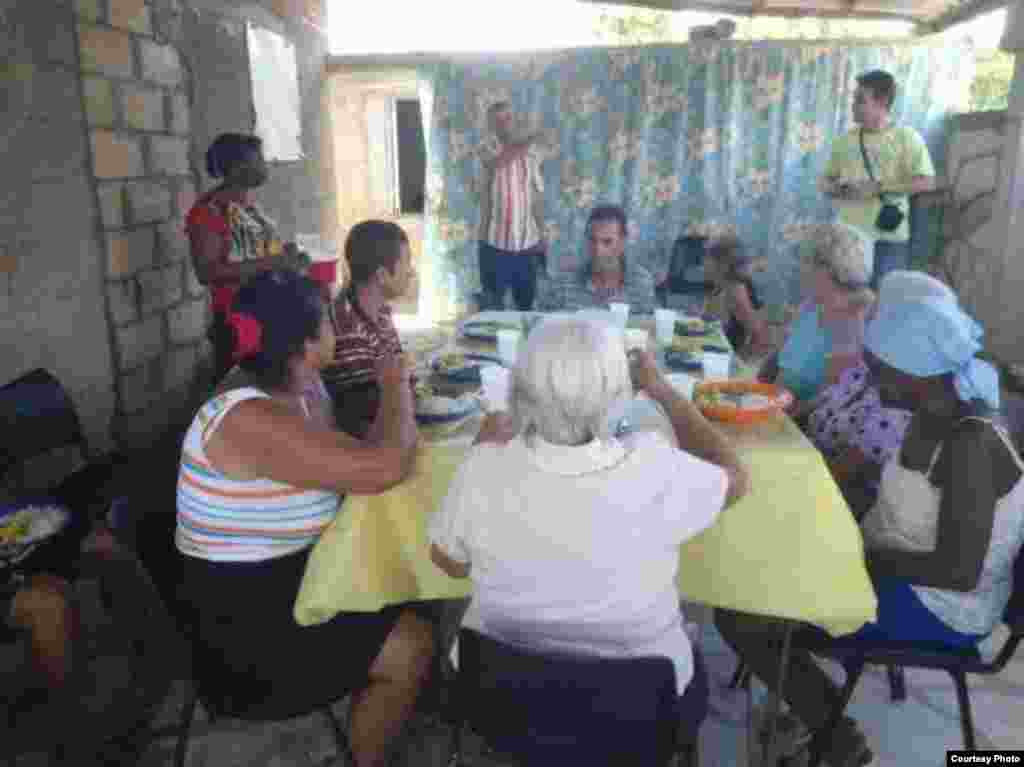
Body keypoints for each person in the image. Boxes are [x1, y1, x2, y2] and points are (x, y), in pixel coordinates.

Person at [717, 293, 1023, 767]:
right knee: (753, 566)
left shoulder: (971, 444)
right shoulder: (930, 412)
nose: (869, 377)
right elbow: (907, 502)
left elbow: (957, 571)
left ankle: (838, 738)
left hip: (938, 605)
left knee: (744, 614)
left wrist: (848, 557)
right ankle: (814, 712)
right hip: (897, 567)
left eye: (879, 367)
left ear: (917, 371)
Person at [428, 316, 750, 742]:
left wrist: (480, 456)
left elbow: (448, 562)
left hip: (504, 704)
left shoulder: (485, 464)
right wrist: (663, 390)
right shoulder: (653, 465)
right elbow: (735, 478)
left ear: (520, 391)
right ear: (619, 395)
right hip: (641, 714)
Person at [175, 270, 430, 767]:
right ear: (308, 343)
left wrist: (390, 401)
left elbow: (363, 455)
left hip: (294, 585)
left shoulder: (301, 390)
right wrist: (396, 386)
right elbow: (387, 466)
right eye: (330, 324)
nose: (337, 331)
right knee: (413, 643)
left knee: (407, 576)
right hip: (249, 636)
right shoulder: (248, 417)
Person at [806, 271, 957, 517]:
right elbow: (822, 402)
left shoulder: (901, 402)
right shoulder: (869, 367)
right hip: (809, 467)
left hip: (838, 507)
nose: (868, 320)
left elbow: (837, 476)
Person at [186, 133, 312, 382]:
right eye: (257, 160)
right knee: (244, 392)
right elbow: (207, 271)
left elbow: (253, 252)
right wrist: (274, 262)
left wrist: (286, 255)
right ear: (235, 168)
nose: (264, 166)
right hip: (237, 321)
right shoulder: (209, 211)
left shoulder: (247, 206)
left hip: (265, 314)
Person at [820, 70, 936, 287]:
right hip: (848, 239)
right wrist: (838, 189)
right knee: (849, 301)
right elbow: (824, 182)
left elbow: (927, 182)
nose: (853, 105)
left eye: (860, 100)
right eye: (854, 99)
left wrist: (879, 187)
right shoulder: (843, 141)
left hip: (888, 238)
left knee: (885, 301)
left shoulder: (906, 137)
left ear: (881, 102)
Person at [760, 223, 875, 409]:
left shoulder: (855, 315)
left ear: (826, 268)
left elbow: (831, 395)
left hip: (806, 424)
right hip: (778, 406)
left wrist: (781, 414)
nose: (799, 268)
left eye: (805, 261)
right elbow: (779, 358)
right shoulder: (813, 303)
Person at [321, 221, 416, 439]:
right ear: (382, 275)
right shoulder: (348, 328)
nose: (410, 272)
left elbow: (399, 372)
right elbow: (371, 411)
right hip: (371, 439)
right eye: (407, 262)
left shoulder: (379, 311)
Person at [476, 101, 547, 311]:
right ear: (491, 126)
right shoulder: (485, 148)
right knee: (492, 305)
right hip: (493, 244)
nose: (504, 124)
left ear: (514, 120)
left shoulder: (531, 154)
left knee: (525, 306)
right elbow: (499, 162)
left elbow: (536, 197)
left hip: (527, 245)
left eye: (507, 118)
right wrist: (531, 138)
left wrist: (542, 234)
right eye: (497, 121)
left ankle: (523, 344)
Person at [535, 205, 657, 313]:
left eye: (607, 242)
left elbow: (647, 329)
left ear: (622, 242)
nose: (598, 250)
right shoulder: (565, 282)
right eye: (593, 240)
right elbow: (538, 323)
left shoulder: (641, 283)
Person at [2, 574, 76, 694]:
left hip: (38, 667)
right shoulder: (60, 594)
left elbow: (13, 624)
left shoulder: (22, 597)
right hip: (60, 670)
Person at [701, 235, 772, 358]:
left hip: (725, 363)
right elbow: (707, 322)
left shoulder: (735, 293)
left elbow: (761, 338)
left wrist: (739, 361)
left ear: (722, 264)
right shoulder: (720, 285)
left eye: (708, 257)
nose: (703, 262)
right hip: (714, 356)